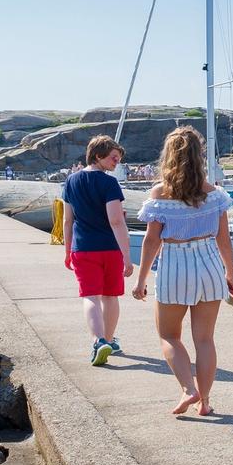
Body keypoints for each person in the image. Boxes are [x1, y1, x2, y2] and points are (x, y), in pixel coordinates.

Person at [132, 127, 233, 417]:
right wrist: (230, 274)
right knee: (204, 339)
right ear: (199, 155)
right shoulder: (214, 194)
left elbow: (152, 240)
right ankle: (204, 402)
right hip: (209, 264)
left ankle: (188, 389)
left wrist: (141, 280)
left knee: (168, 335)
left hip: (175, 265)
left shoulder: (160, 193)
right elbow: (223, 239)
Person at [62, 136, 135, 366]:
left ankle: (99, 340)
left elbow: (67, 220)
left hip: (83, 248)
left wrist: (67, 251)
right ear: (98, 156)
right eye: (113, 158)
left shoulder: (71, 181)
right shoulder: (109, 183)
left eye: (118, 159)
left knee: (90, 296)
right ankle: (109, 340)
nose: (116, 162)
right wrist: (127, 256)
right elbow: (116, 220)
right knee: (110, 296)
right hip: (110, 249)